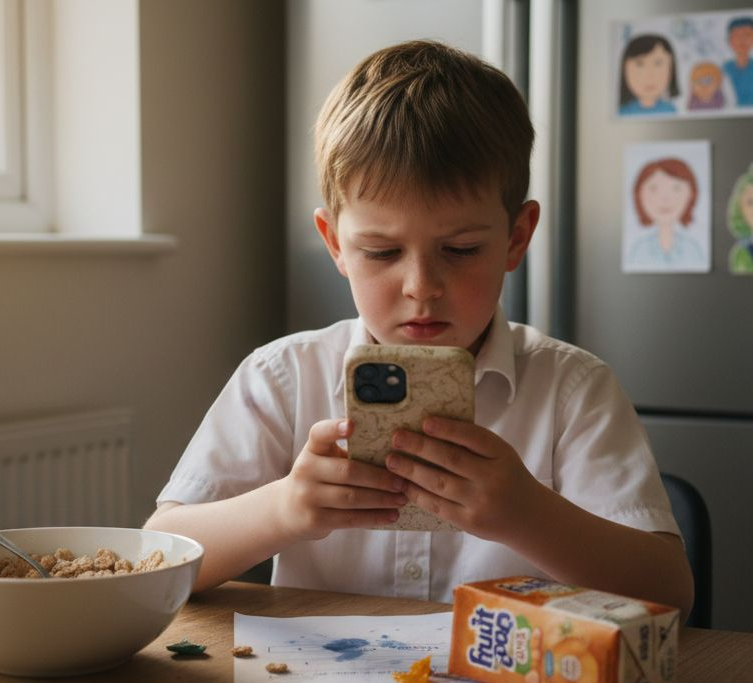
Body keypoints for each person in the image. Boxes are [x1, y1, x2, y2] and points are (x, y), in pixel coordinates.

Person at [146, 40, 693, 616]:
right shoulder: (282, 377)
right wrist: (284, 509)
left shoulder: (572, 389)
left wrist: (527, 514)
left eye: (461, 249)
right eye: (382, 252)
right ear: (335, 244)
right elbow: (161, 558)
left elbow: (671, 593)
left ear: (516, 239)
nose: (421, 286)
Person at [627, 157, 705, 271]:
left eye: (676, 188)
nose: (665, 198)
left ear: (691, 194)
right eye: (654, 189)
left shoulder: (693, 250)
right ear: (639, 195)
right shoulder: (638, 251)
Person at [618, 34, 679, 116]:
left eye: (658, 64)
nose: (649, 75)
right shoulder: (622, 112)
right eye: (640, 64)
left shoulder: (671, 110)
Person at [722, 17, 753, 107]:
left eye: (747, 35)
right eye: (737, 35)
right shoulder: (725, 67)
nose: (742, 40)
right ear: (729, 40)